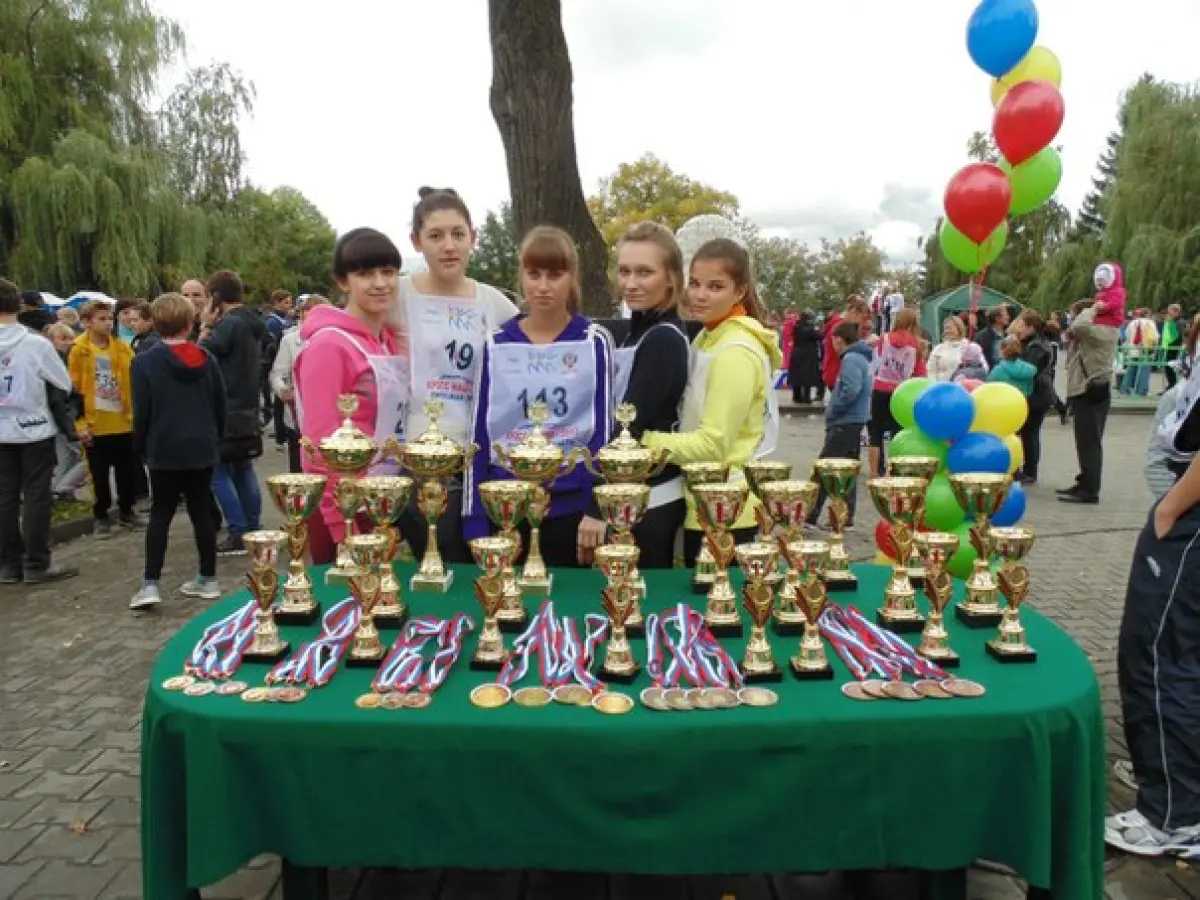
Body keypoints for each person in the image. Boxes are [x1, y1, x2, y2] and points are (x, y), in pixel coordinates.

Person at [464, 226, 613, 566]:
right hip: (506, 508)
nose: (543, 287)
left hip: (572, 512)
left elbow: (603, 431)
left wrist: (596, 509)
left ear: (572, 278)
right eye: (534, 274)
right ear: (522, 277)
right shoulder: (496, 344)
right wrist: (474, 520)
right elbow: (479, 434)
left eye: (555, 275)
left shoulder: (593, 341)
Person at [389, 187, 519, 564]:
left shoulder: (494, 303)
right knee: (435, 566)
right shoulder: (396, 296)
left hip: (478, 459)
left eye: (458, 234)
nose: (449, 246)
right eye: (436, 235)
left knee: (480, 564)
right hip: (416, 462)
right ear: (417, 242)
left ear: (473, 238)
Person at [640, 238, 781, 567]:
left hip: (726, 509)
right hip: (702, 500)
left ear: (740, 291)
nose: (700, 295)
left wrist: (640, 441)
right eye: (695, 283)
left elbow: (714, 444)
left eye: (715, 287)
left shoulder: (735, 351)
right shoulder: (709, 336)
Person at [1108, 440, 1200, 856]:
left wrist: (1171, 508)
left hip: (1190, 522)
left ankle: (1173, 816)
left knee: (1161, 658)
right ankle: (1175, 785)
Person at [294, 229, 407, 566]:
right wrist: (342, 528)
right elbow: (320, 444)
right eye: (365, 274)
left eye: (388, 272)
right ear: (343, 282)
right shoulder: (329, 345)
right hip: (342, 509)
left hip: (380, 498)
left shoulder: (387, 341)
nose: (380, 283)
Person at [129, 293, 226, 610]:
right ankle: (208, 578)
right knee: (201, 511)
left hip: (163, 446)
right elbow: (219, 404)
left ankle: (150, 583)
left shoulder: (144, 362)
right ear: (190, 323)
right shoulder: (207, 359)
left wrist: (140, 446)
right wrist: (215, 438)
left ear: (155, 324)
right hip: (201, 445)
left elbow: (142, 411)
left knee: (161, 513)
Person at [603, 221, 689, 567]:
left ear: (671, 277)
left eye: (644, 272)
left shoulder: (662, 338)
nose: (630, 283)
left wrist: (595, 505)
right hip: (632, 489)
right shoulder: (637, 333)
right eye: (625, 271)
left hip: (650, 497)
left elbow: (630, 425)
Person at [0, 278, 78, 583]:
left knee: (5, 496)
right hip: (34, 428)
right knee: (36, 494)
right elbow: (63, 382)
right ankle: (36, 562)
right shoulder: (35, 344)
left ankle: (8, 564)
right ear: (18, 305)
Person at [199, 270, 266, 555]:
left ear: (216, 297)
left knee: (219, 471)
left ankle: (238, 531)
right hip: (248, 406)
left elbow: (202, 356)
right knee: (243, 468)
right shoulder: (253, 321)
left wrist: (205, 326)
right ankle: (253, 524)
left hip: (226, 406)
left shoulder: (229, 324)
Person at [68, 300, 144, 537]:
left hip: (122, 420)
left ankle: (127, 510)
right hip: (95, 423)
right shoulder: (79, 350)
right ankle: (101, 516)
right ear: (87, 322)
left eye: (109, 318)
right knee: (98, 475)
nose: (107, 323)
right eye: (101, 319)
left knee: (126, 471)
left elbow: (134, 378)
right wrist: (80, 423)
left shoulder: (121, 348)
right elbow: (73, 390)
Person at [808, 321, 871, 529]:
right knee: (846, 471)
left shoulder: (851, 359)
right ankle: (845, 517)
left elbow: (851, 389)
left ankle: (809, 514)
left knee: (824, 468)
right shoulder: (862, 358)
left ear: (839, 340)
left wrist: (835, 409)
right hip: (855, 420)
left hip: (845, 420)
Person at [1059, 299, 1118, 505]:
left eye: (1074, 315)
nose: (1072, 320)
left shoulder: (1102, 331)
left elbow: (1080, 326)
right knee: (1084, 442)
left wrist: (1093, 309)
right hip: (1084, 390)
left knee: (1089, 443)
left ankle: (1090, 490)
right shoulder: (1092, 333)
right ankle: (1084, 481)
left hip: (1091, 391)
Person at [271, 294, 330, 474]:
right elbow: (277, 374)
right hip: (297, 415)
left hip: (328, 416)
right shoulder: (290, 340)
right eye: (306, 310)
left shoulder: (335, 339)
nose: (310, 314)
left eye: (316, 310)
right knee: (298, 469)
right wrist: (283, 391)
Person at [868, 307, 927, 476]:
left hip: (880, 388)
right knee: (897, 433)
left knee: (876, 433)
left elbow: (874, 362)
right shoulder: (918, 344)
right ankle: (893, 471)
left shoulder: (884, 338)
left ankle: (874, 472)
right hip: (901, 392)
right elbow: (920, 373)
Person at [1009, 309, 1055, 484]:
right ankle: (1027, 470)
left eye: (1021, 324)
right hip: (1036, 393)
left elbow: (1028, 370)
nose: (1018, 327)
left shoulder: (1036, 347)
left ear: (1031, 327)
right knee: (1029, 433)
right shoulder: (1034, 342)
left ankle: (1030, 471)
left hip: (1036, 395)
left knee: (1029, 433)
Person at [821, 296, 870, 395]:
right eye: (863, 318)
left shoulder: (844, 325)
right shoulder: (840, 327)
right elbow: (842, 352)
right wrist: (865, 344)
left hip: (840, 373)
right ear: (854, 312)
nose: (862, 322)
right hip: (838, 374)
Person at [263, 290, 292, 446]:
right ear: (277, 303)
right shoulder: (273, 322)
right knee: (279, 400)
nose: (290, 305)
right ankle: (280, 433)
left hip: (284, 362)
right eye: (286, 302)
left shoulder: (285, 320)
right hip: (276, 363)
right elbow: (271, 345)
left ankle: (282, 432)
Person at [789, 310, 823, 404]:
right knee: (807, 376)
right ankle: (806, 397)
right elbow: (819, 336)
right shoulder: (810, 329)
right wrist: (817, 330)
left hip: (797, 353)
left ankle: (797, 397)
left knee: (797, 376)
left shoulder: (796, 327)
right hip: (808, 354)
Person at [927, 315, 969, 382]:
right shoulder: (938, 348)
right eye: (945, 328)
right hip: (942, 386)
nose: (947, 331)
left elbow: (982, 367)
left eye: (950, 328)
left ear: (959, 328)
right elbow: (931, 370)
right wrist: (934, 384)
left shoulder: (969, 347)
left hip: (962, 386)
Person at [1092, 261, 1127, 328]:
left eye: (1102, 280)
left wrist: (1105, 306)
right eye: (1098, 280)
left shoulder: (1118, 291)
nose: (1099, 282)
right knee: (1089, 321)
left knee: (1092, 322)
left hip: (1113, 317)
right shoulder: (1100, 293)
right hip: (1103, 315)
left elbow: (1117, 303)